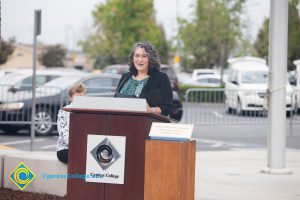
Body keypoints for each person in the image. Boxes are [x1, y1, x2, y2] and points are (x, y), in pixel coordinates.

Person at [115, 41, 173, 116]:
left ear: (151, 59)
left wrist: (151, 110)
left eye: (144, 56)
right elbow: (116, 99)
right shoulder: (125, 77)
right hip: (120, 123)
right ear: (132, 58)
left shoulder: (161, 78)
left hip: (145, 124)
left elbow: (167, 107)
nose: (140, 59)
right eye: (137, 56)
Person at [56, 83, 86, 164]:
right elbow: (64, 134)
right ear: (70, 98)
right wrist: (80, 147)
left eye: (81, 97)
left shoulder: (88, 111)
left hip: (83, 148)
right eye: (77, 97)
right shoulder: (63, 111)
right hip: (65, 149)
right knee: (81, 157)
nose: (79, 99)